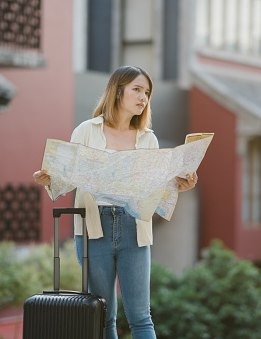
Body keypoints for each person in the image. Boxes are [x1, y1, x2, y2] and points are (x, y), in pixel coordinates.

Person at [33, 65, 197, 339]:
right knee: (104, 317)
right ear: (117, 91)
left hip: (135, 227)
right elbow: (69, 178)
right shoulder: (87, 130)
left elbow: (154, 189)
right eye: (137, 90)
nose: (143, 97)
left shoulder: (149, 139)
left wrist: (180, 185)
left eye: (147, 92)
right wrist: (49, 179)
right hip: (93, 228)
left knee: (141, 317)